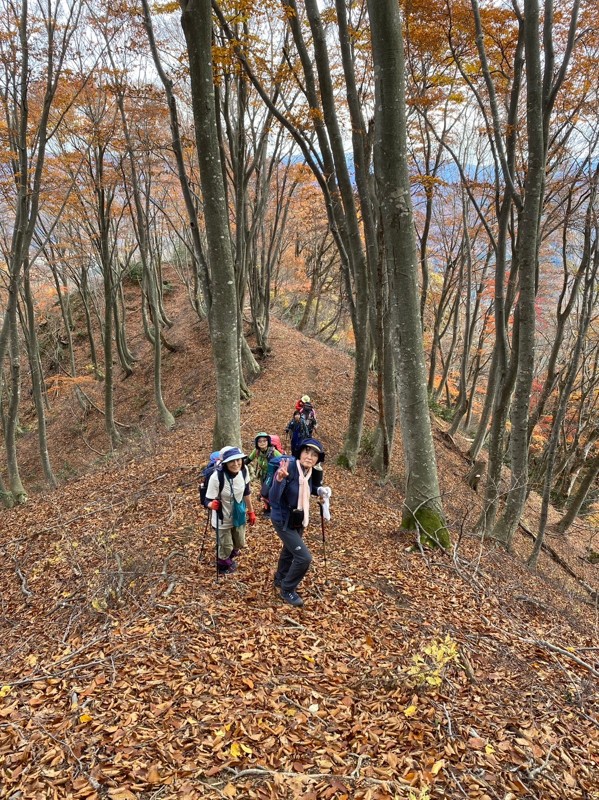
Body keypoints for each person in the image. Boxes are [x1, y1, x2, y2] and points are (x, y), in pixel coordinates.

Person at [269, 438, 329, 607]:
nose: (309, 457)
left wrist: (320, 490)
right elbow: (273, 498)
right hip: (282, 518)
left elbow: (309, 488)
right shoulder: (289, 468)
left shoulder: (308, 472)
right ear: (300, 452)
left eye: (314, 454)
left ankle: (280, 579)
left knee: (289, 550)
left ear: (318, 459)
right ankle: (287, 589)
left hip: (298, 519)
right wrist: (279, 479)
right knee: (304, 558)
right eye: (306, 452)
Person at [205, 446, 256, 574]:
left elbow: (247, 492)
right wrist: (212, 505)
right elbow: (207, 499)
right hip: (222, 518)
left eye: (238, 460)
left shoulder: (244, 471)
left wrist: (251, 511)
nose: (236, 464)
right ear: (225, 463)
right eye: (232, 461)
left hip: (239, 515)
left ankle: (229, 558)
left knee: (239, 542)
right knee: (226, 546)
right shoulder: (217, 477)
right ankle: (223, 566)